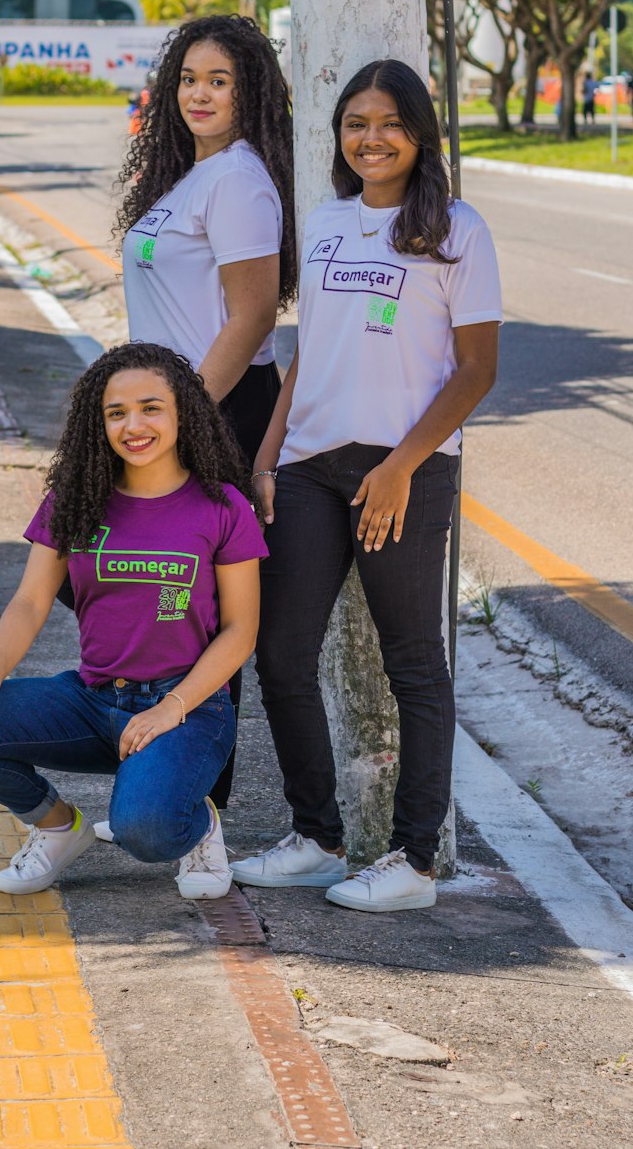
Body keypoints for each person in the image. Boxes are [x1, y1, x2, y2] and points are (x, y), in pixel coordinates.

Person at [230, 59, 502, 914]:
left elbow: (476, 370)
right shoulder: (324, 224)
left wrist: (400, 467)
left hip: (405, 473)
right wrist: (267, 458)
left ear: (419, 132)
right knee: (278, 653)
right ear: (339, 137)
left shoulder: (459, 230)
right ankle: (317, 839)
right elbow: (310, 352)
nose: (371, 138)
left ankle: (415, 862)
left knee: (414, 664)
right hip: (312, 464)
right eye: (355, 123)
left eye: (388, 122)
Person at [0, 343, 267, 901]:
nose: (134, 425)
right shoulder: (77, 500)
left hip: (187, 707)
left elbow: (240, 630)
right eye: (116, 412)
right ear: (97, 422)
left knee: (146, 832)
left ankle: (197, 823)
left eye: (151, 408)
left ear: (183, 413)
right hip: (92, 698)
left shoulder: (222, 505)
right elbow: (31, 602)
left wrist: (171, 707)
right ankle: (58, 828)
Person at [114, 13, 296, 807]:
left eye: (219, 80)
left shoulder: (241, 181)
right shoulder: (192, 175)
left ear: (249, 91)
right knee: (158, 605)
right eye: (189, 78)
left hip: (216, 412)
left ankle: (197, 803)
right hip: (169, 410)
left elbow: (253, 316)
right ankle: (167, 781)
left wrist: (178, 417)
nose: (199, 93)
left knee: (211, 616)